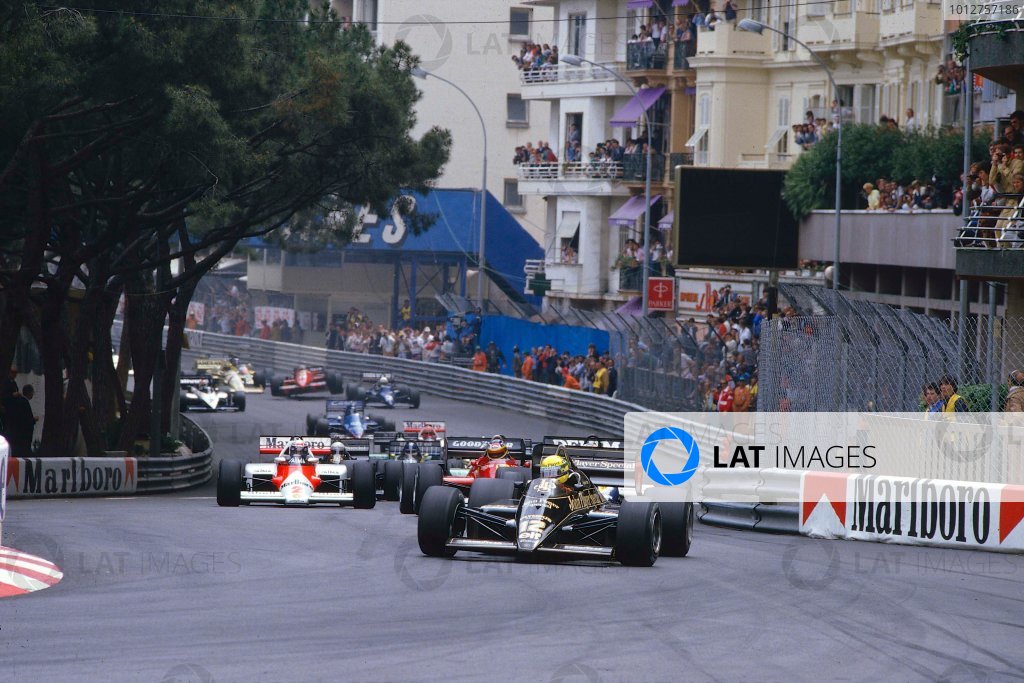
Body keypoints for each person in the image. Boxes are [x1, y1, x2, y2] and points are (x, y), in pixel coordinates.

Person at [6, 384, 37, 458]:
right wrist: (33, 420)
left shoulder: (18, 401)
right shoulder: (24, 403)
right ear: (30, 393)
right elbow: (26, 419)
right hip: (23, 437)